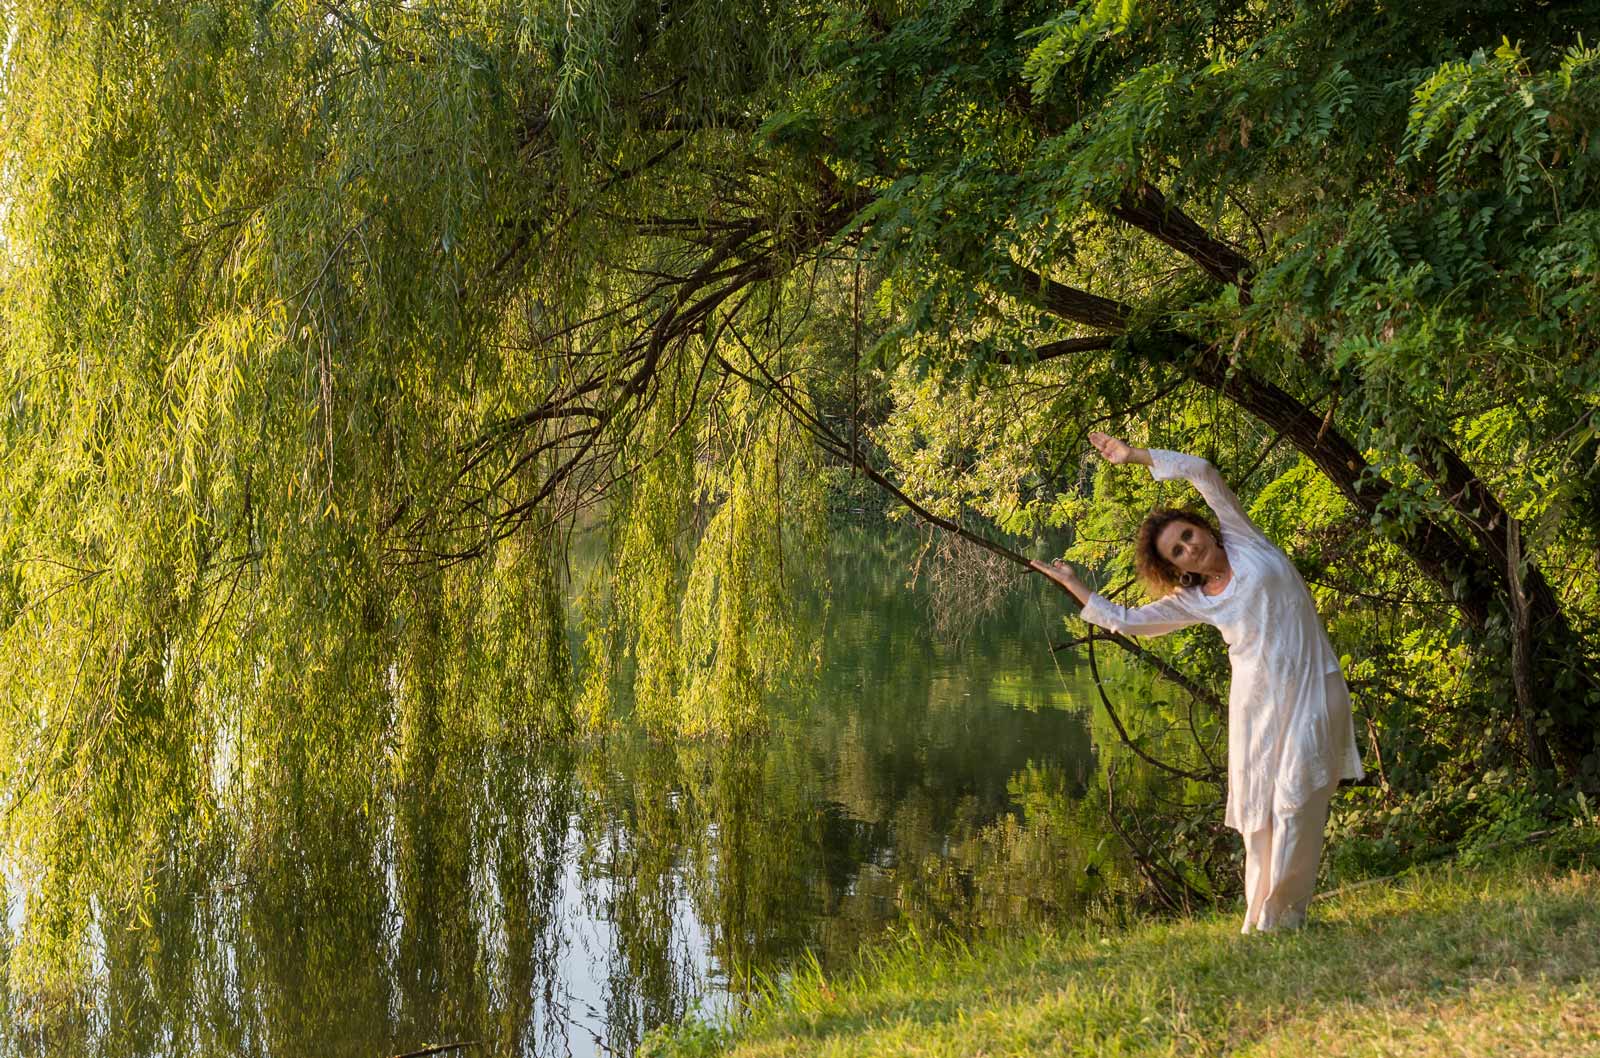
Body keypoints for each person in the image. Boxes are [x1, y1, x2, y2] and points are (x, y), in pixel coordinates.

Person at [1032, 431, 1364, 933]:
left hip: (1314, 685)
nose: (1189, 547)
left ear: (1203, 528)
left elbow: (1203, 470)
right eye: (1177, 551)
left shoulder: (1244, 539)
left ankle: (1284, 917)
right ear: (1174, 566)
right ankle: (1259, 921)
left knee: (1299, 799)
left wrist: (1134, 457)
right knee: (1260, 819)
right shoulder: (1194, 601)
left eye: (1188, 535)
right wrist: (1075, 586)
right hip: (1256, 706)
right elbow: (1128, 620)